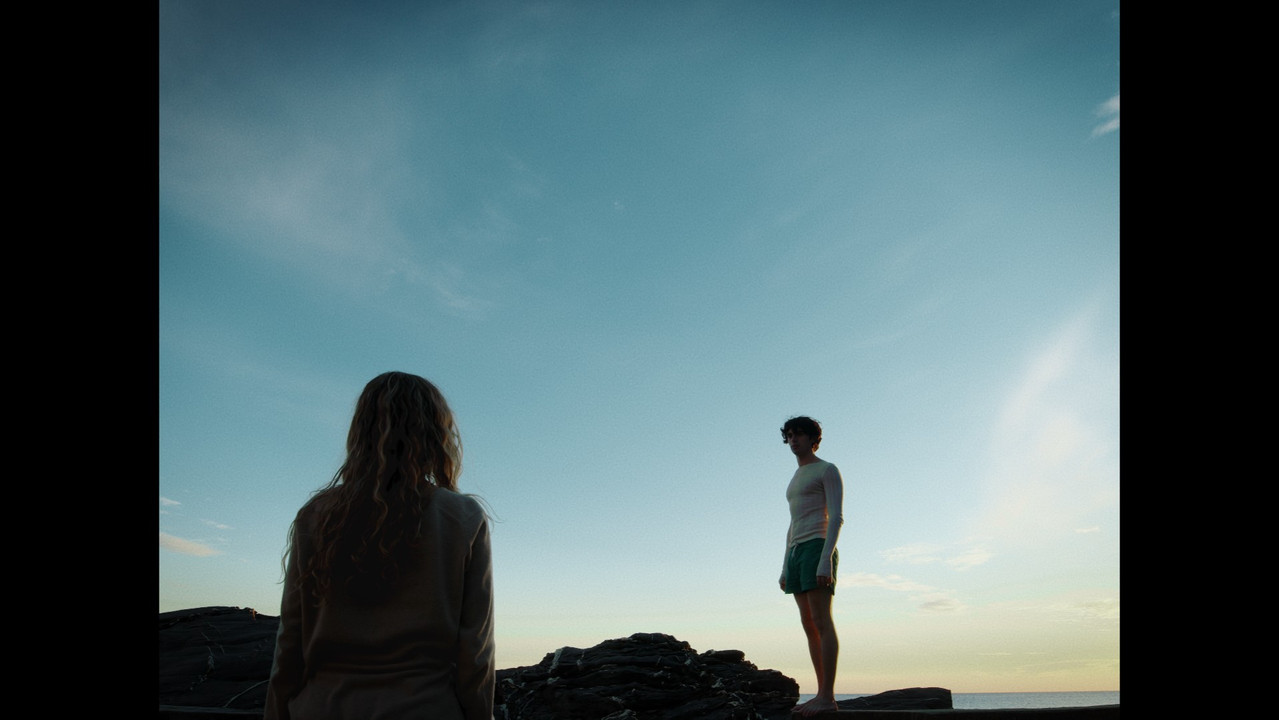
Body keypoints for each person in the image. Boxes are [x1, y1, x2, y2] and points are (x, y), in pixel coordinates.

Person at [264, 371, 495, 720]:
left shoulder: (316, 516)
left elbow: (290, 643)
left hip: (321, 708)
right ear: (436, 434)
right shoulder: (462, 517)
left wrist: (276, 712)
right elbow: (475, 653)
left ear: (361, 432)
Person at [778, 415, 844, 717]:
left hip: (818, 546)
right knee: (808, 626)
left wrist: (825, 559)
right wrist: (784, 565)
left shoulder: (827, 470)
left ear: (812, 439)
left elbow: (836, 517)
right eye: (790, 435)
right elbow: (792, 524)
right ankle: (819, 694)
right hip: (796, 552)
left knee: (821, 621)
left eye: (800, 435)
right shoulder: (795, 477)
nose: (794, 440)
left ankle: (827, 697)